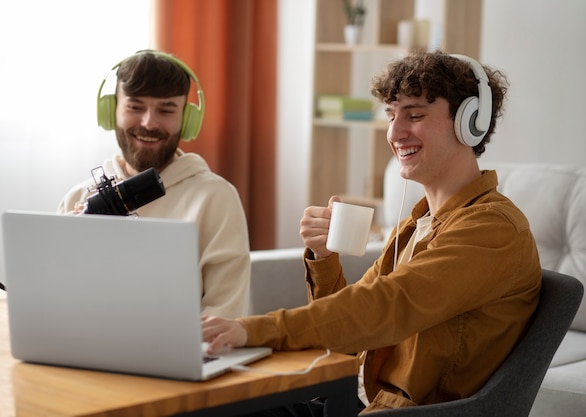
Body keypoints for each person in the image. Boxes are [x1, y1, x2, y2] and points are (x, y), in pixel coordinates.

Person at [202, 50, 541, 414]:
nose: (394, 133)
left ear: (469, 122)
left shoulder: (490, 229)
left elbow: (384, 307)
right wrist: (323, 257)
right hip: (359, 403)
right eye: (391, 115)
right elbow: (350, 334)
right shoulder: (417, 223)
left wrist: (252, 330)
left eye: (414, 115)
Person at [58, 50, 250, 319]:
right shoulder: (77, 197)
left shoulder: (216, 198)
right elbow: (56, 303)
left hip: (179, 356)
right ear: (110, 111)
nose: (148, 123)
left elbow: (224, 316)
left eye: (166, 110)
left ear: (187, 120)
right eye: (135, 107)